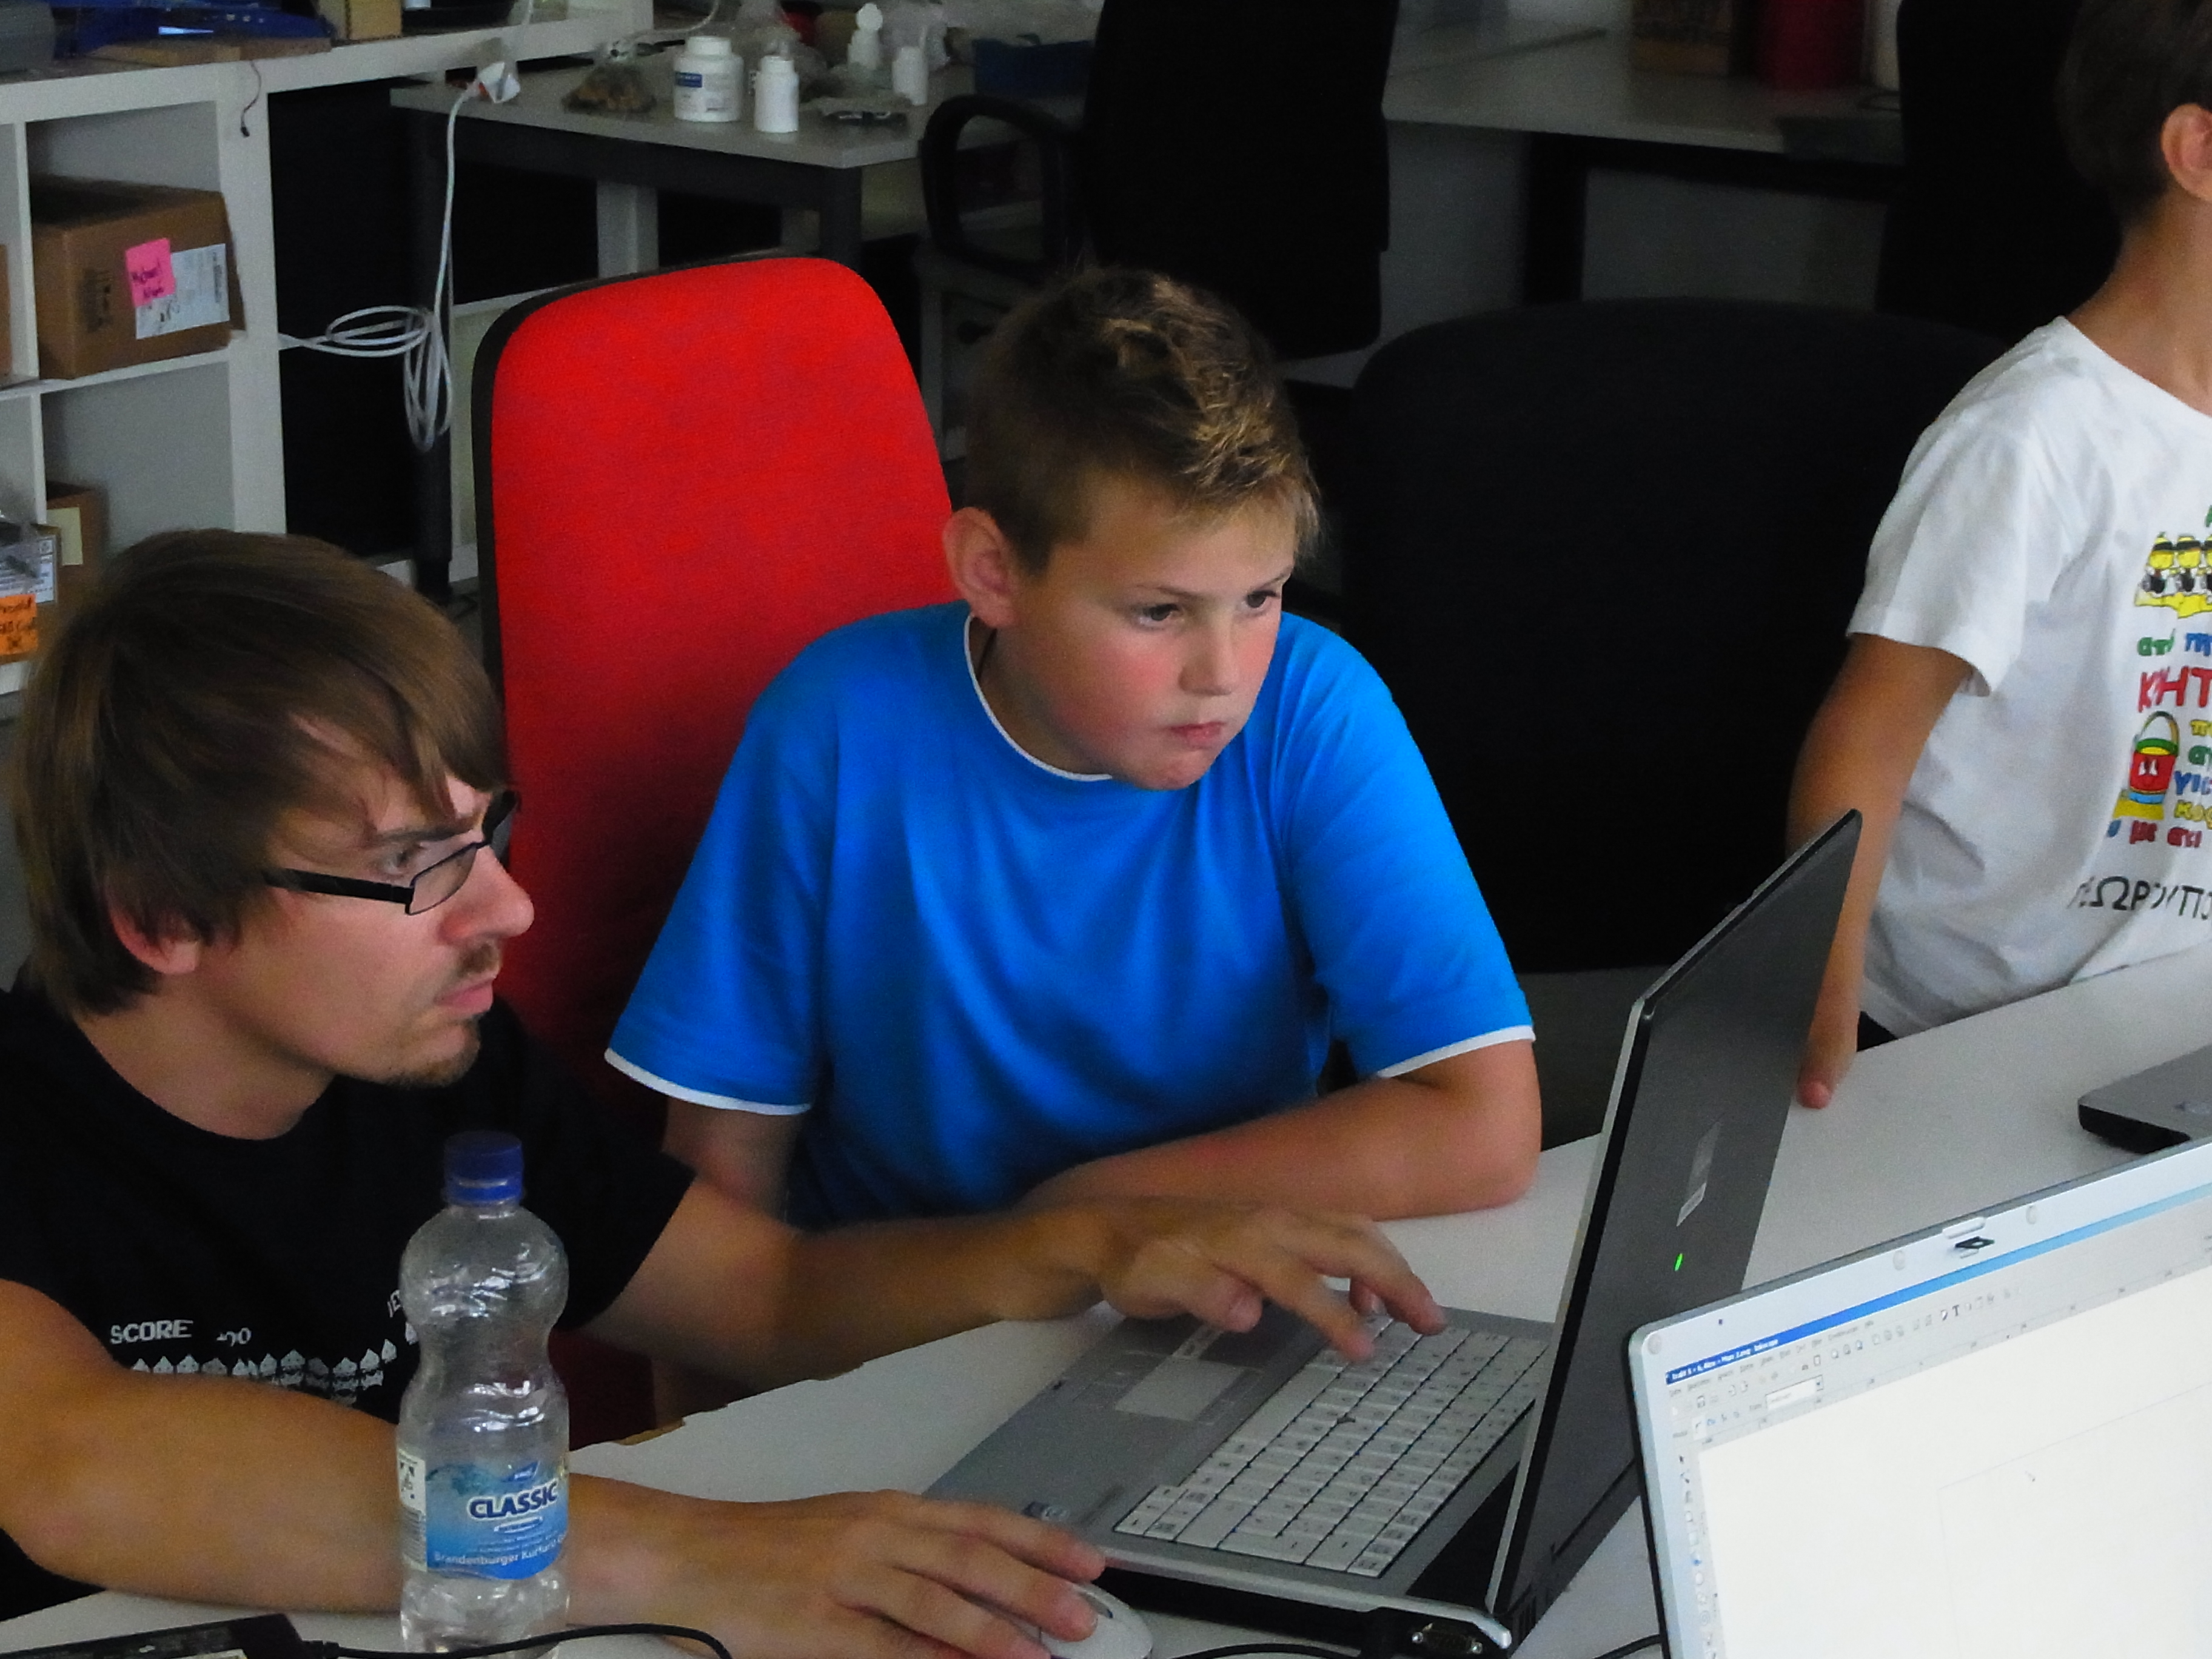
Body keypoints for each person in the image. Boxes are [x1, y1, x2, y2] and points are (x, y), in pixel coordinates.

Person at [0, 529, 1447, 1655]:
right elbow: (69, 1461)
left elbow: (763, 1296)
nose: (507, 908)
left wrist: (1082, 1247)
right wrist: (705, 1555)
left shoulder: (437, 1070)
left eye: (485, 835)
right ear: (164, 921)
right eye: (412, 869)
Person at [608, 269, 1541, 1230]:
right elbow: (723, 1171)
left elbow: (1484, 1125)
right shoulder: (835, 726)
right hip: (907, 1294)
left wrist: (1081, 1219)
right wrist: (1046, 1252)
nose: (1224, 675)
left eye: (1260, 597)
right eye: (1158, 611)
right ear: (994, 572)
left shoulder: (1311, 705)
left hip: (1199, 1274)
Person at [1791, 0, 2212, 1108]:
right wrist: (1819, 1009)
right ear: (2199, 153)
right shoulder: (2032, 436)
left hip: (2158, 1019)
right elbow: (1867, 737)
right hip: (1960, 1032)